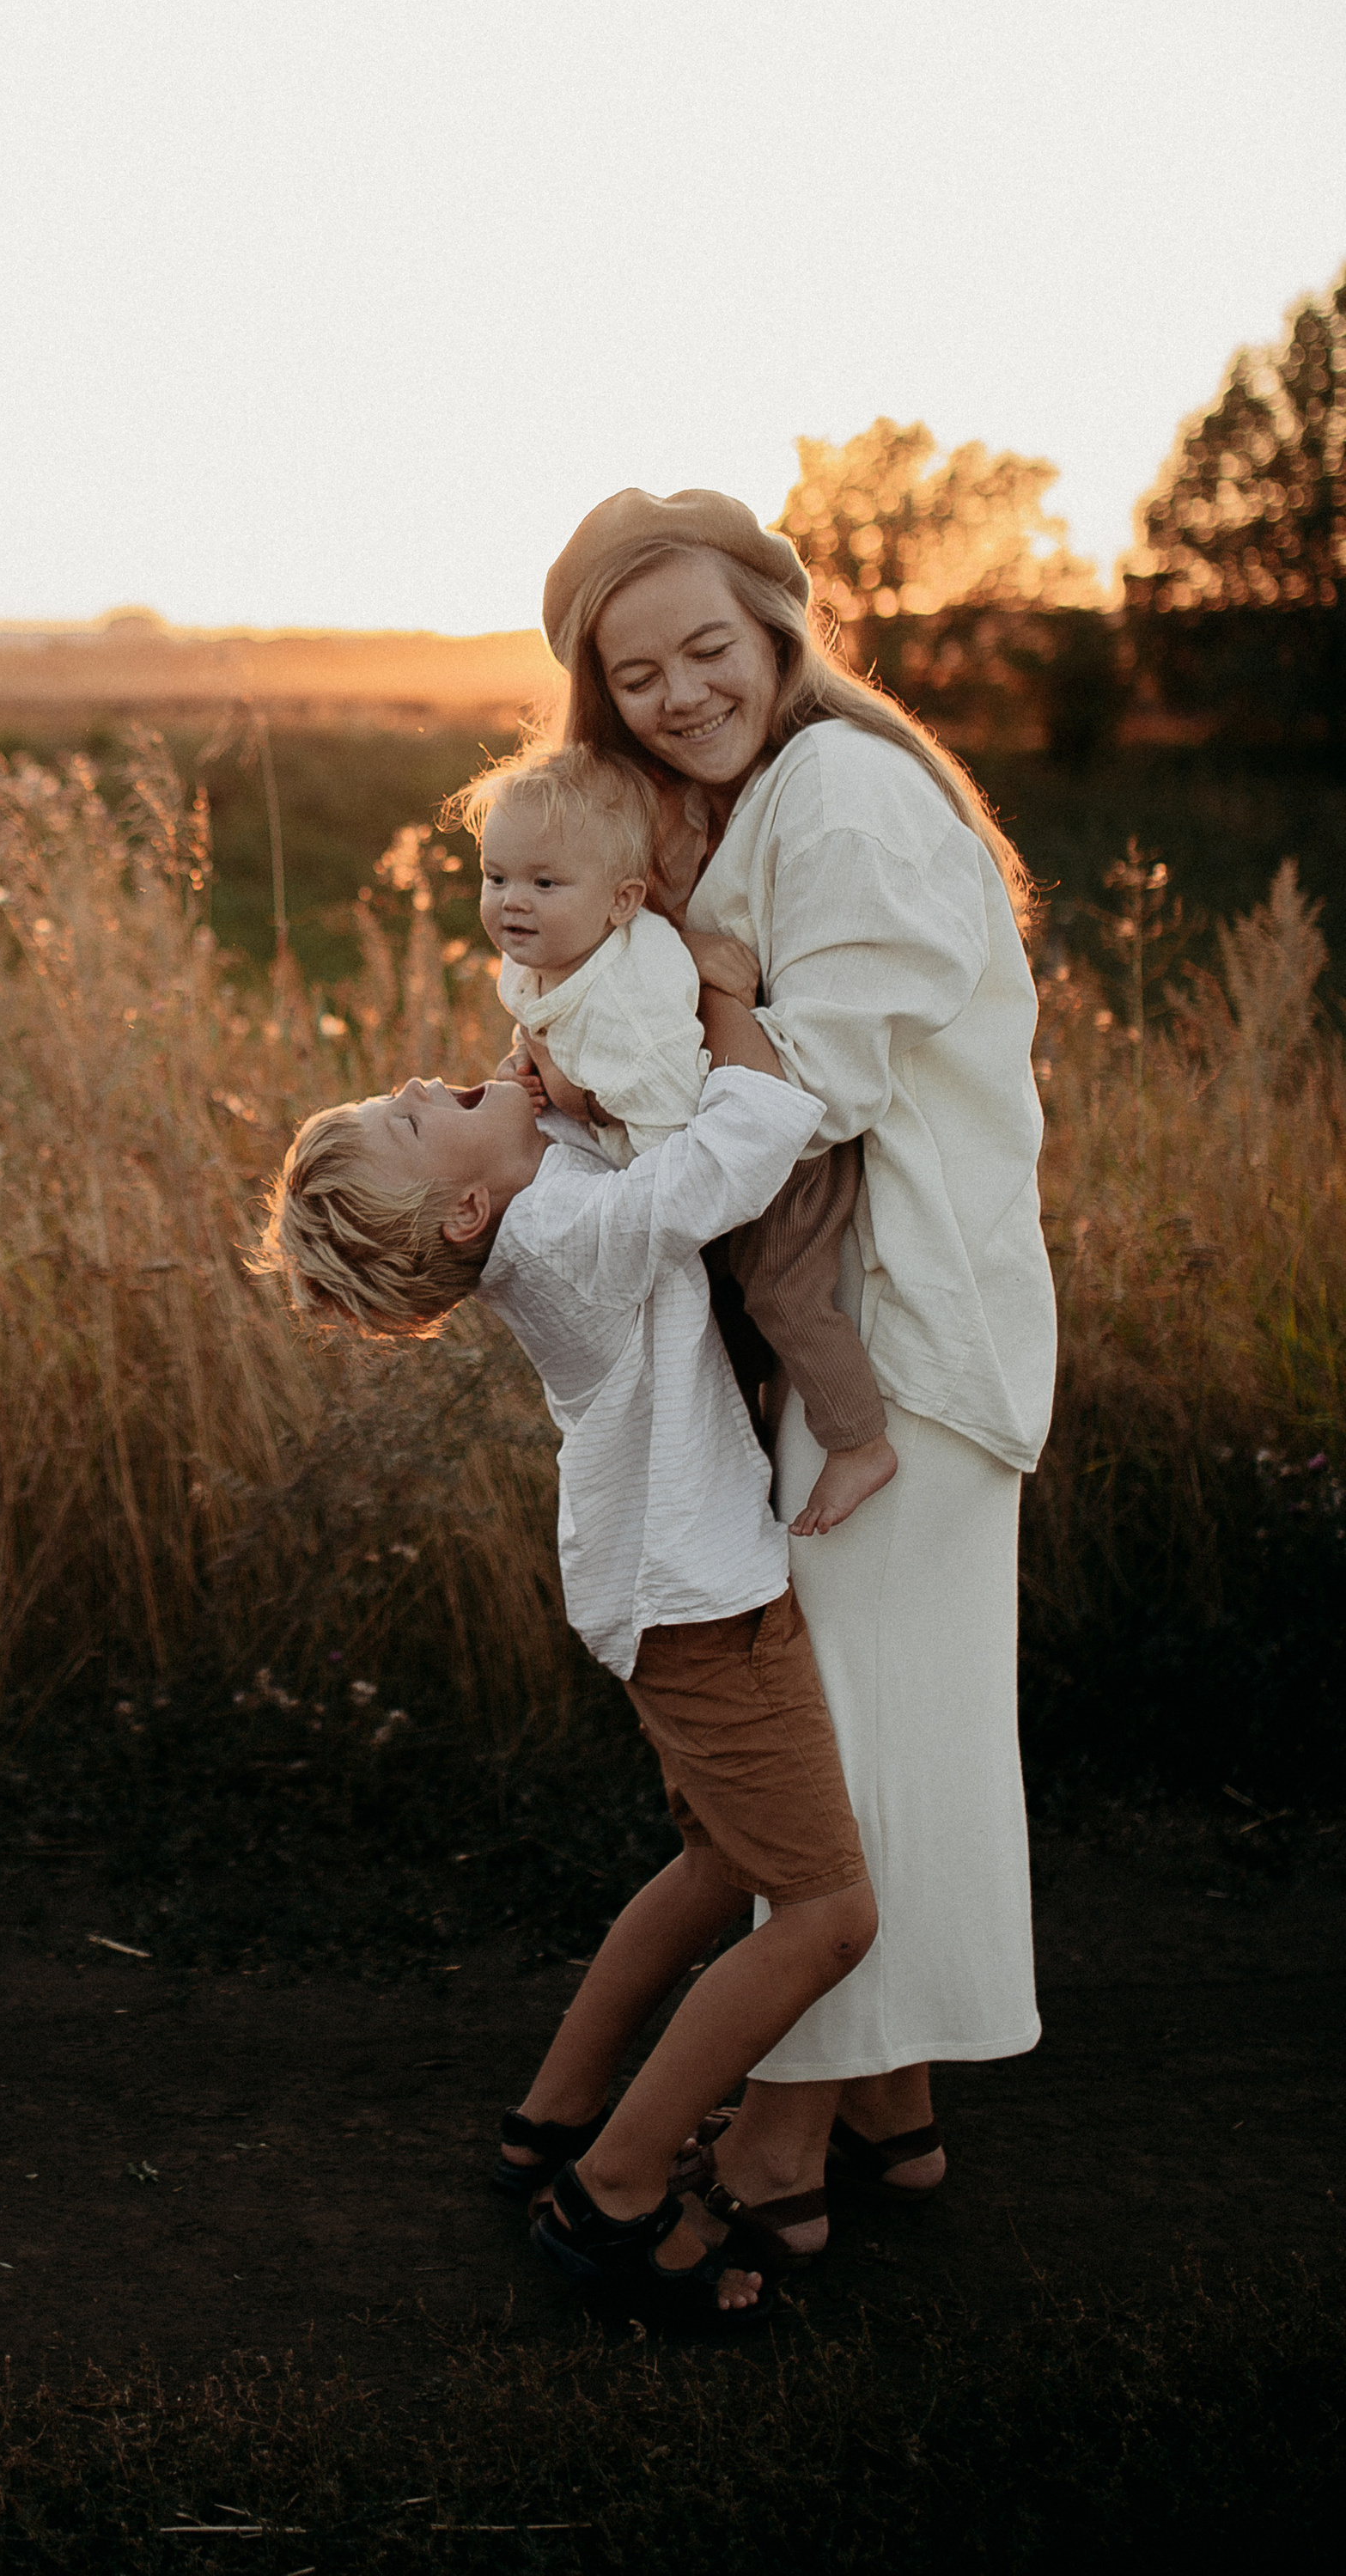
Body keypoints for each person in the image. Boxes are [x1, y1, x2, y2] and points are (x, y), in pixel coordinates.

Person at [538, 482, 1054, 2270]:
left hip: (904, 1344)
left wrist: (658, 1027)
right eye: (635, 673)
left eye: (705, 648)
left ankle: (776, 2148)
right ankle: (885, 2113)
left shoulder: (839, 793)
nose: (679, 691)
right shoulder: (764, 797)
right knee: (881, 1732)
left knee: (855, 1752)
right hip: (871, 1330)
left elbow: (808, 1092)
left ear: (776, 627)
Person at [258, 1003, 877, 2335]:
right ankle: (613, 2184)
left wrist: (572, 1094)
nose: (430, 1077)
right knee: (829, 1916)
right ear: (472, 1211)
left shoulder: (541, 1213)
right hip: (710, 1606)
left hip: (658, 1597)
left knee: (720, 1862)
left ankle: (550, 2117)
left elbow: (601, 1159)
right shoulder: (570, 1237)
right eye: (419, 1115)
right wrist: (726, 1007)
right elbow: (742, 1147)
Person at [454, 741, 896, 1537]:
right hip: (721, 1144)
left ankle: (859, 1440)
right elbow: (548, 1028)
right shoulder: (550, 955)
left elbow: (688, 1150)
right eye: (496, 878)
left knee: (780, 1294)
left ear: (623, 901)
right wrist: (532, 1068)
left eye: (544, 884)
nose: (512, 903)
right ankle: (749, 1457)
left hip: (785, 1163)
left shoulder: (631, 1015)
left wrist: (590, 1113)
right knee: (721, 1326)